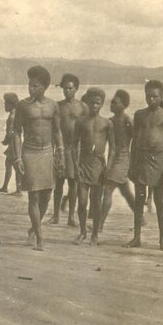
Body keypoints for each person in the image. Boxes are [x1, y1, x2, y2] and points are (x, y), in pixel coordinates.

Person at [11, 65, 63, 251]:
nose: (30, 89)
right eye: (29, 85)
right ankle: (40, 238)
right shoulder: (23, 105)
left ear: (44, 86)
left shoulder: (52, 106)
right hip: (30, 152)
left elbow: (57, 131)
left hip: (47, 152)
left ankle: (34, 229)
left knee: (47, 195)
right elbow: (16, 132)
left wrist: (61, 151)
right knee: (33, 196)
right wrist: (17, 158)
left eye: (35, 86)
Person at [125, 80, 163, 251]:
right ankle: (137, 237)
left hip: (159, 160)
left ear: (162, 97)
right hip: (141, 159)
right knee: (139, 200)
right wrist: (131, 165)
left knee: (160, 201)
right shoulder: (139, 114)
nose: (151, 99)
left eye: (155, 96)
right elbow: (134, 140)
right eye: (148, 96)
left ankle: (162, 240)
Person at [73, 87, 112, 245]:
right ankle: (82, 232)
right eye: (92, 102)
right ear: (87, 102)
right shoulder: (81, 121)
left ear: (102, 104)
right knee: (82, 202)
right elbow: (74, 145)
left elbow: (113, 149)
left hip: (99, 165)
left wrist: (108, 168)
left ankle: (94, 234)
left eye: (98, 103)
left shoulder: (106, 123)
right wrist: (76, 165)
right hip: (83, 163)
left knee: (96, 202)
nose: (95, 105)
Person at [99, 89, 141, 234]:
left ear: (124, 105)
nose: (111, 104)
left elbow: (137, 139)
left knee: (108, 190)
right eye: (111, 101)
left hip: (123, 158)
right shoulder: (110, 121)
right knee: (126, 192)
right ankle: (140, 219)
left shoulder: (127, 120)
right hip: (115, 158)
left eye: (115, 102)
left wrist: (134, 162)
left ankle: (100, 225)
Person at [52, 73, 87, 226]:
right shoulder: (57, 106)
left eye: (70, 88)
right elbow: (54, 129)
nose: (67, 91)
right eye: (65, 88)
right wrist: (55, 151)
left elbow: (88, 129)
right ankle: (55, 215)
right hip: (61, 147)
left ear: (76, 89)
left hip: (76, 148)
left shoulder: (82, 107)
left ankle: (71, 217)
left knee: (73, 183)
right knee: (58, 183)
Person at [0, 92, 22, 194]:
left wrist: (7, 140)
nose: (4, 105)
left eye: (6, 103)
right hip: (14, 144)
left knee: (16, 166)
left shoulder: (12, 116)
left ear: (11, 104)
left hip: (14, 145)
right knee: (8, 164)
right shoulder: (15, 114)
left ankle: (18, 189)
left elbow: (12, 132)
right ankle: (5, 187)